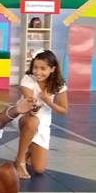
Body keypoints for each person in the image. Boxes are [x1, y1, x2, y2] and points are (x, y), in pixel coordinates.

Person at [14, 50, 68, 179]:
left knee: (39, 168)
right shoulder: (28, 79)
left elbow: (63, 110)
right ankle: (20, 161)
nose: (38, 72)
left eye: (43, 68)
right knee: (33, 121)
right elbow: (29, 101)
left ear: (52, 69)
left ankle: (28, 152)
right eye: (35, 67)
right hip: (24, 115)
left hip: (43, 120)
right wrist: (34, 108)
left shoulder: (59, 84)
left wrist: (48, 101)